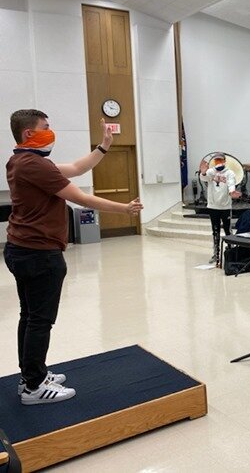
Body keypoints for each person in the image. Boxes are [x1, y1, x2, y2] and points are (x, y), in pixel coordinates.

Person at [4, 109, 143, 405]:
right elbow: (81, 198)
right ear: (29, 133)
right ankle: (33, 387)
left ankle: (32, 374)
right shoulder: (34, 165)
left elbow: (79, 168)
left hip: (22, 248)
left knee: (29, 317)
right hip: (38, 253)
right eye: (45, 126)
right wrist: (124, 209)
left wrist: (104, 145)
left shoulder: (22, 161)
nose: (50, 130)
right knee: (39, 320)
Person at [199, 154, 241, 267]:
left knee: (228, 230)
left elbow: (231, 183)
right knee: (215, 231)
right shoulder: (211, 172)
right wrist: (203, 172)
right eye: (216, 160)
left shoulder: (229, 173)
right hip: (213, 206)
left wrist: (232, 192)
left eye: (220, 160)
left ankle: (231, 252)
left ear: (224, 161)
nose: (218, 162)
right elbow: (204, 177)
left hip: (225, 206)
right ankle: (216, 253)